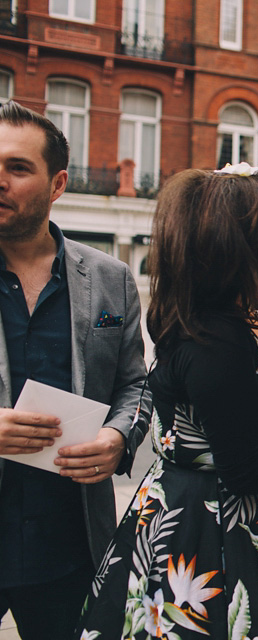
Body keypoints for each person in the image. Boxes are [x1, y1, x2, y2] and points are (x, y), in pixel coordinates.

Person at [75, 166, 258, 639]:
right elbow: (242, 473)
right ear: (235, 253)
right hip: (218, 531)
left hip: (199, 508)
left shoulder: (208, 319)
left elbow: (231, 436)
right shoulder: (221, 340)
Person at [0, 100, 151, 639]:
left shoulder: (110, 278)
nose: (1, 180)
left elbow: (136, 382)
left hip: (70, 545)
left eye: (17, 168)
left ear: (57, 183)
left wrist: (119, 436)